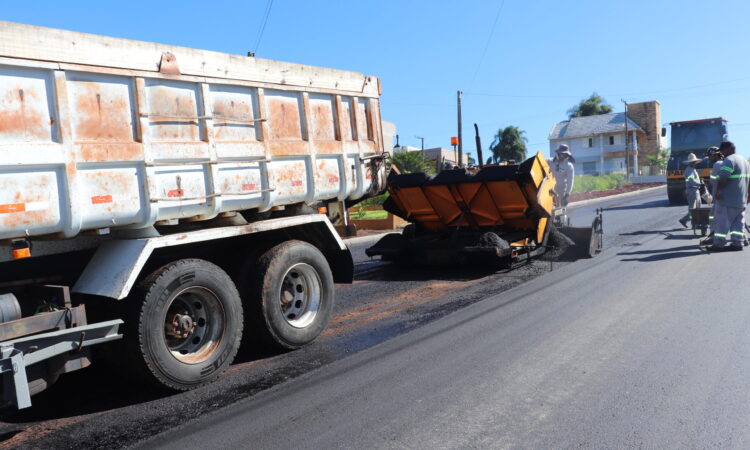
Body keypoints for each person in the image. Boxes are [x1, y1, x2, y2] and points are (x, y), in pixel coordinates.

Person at [709, 140, 750, 251]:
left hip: (728, 199)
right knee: (738, 223)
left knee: (721, 222)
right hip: (741, 200)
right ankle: (737, 243)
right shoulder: (745, 161)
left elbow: (723, 176)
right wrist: (748, 196)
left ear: (728, 149)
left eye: (722, 151)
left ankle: (718, 244)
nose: (722, 153)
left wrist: (718, 190)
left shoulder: (729, 160)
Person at [678, 153, 703, 228]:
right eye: (693, 162)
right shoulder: (689, 170)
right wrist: (700, 184)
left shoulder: (692, 169)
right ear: (690, 163)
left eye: (694, 162)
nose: (694, 163)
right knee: (693, 209)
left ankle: (695, 223)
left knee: (698, 207)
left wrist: (700, 182)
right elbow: (691, 181)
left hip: (695, 190)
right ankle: (689, 221)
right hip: (692, 190)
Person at [707, 146, 723, 232]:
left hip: (718, 197)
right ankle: (743, 238)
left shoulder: (717, 164)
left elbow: (712, 181)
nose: (709, 158)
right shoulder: (725, 163)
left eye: (710, 155)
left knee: (712, 216)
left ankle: (713, 235)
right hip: (725, 196)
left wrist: (711, 174)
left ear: (715, 155)